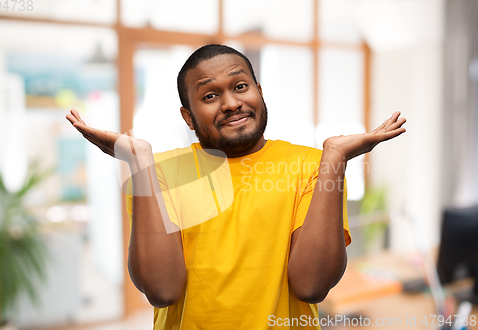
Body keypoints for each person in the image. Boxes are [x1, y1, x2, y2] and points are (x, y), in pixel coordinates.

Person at [66, 44, 406, 329]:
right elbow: (162, 290)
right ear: (188, 117)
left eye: (241, 86)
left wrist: (335, 158)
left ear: (259, 91)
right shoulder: (164, 173)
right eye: (211, 95)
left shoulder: (312, 166)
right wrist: (139, 161)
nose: (230, 103)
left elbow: (311, 285)